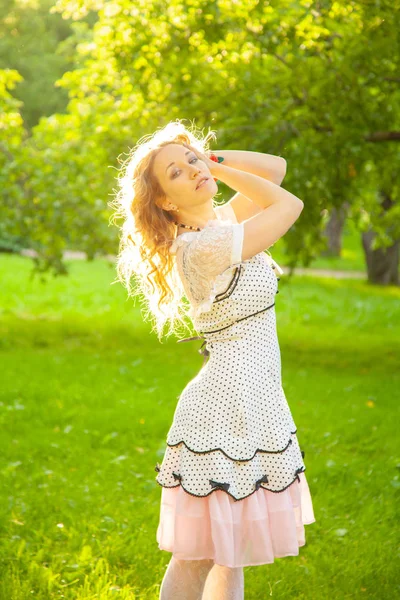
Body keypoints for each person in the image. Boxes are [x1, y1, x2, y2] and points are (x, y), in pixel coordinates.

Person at [111, 120, 316, 600]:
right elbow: (288, 205)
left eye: (190, 162)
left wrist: (207, 160)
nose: (193, 172)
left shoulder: (220, 223)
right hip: (223, 408)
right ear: (166, 202)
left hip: (255, 400)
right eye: (176, 174)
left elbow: (276, 169)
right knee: (198, 556)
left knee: (231, 547)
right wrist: (206, 166)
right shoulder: (201, 248)